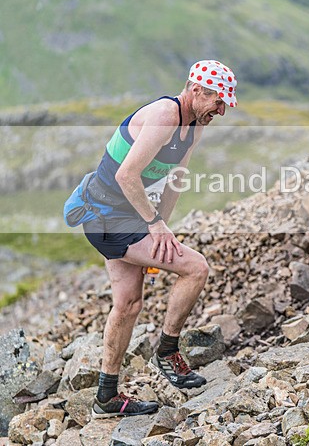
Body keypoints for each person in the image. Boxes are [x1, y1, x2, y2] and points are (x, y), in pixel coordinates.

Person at [78, 60, 238, 417]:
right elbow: (126, 175)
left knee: (128, 304)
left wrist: (162, 226)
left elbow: (175, 180)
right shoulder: (166, 115)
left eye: (226, 103)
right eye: (218, 101)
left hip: (127, 216)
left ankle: (106, 396)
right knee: (196, 268)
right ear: (196, 90)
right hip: (107, 218)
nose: (222, 110)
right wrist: (155, 225)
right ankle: (166, 352)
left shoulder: (194, 126)